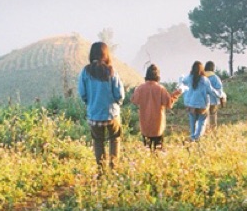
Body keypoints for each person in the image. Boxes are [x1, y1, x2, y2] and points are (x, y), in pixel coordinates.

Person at [78, 41, 125, 171]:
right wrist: (118, 103)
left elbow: (82, 93)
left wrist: (90, 103)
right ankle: (113, 168)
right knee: (114, 139)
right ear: (106, 54)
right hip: (111, 114)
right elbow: (120, 93)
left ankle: (101, 171)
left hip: (94, 115)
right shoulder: (111, 70)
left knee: (98, 142)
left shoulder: (85, 72)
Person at [130, 64, 182, 151]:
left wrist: (136, 90)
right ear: (158, 76)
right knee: (157, 151)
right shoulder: (161, 89)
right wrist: (176, 94)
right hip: (158, 127)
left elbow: (134, 100)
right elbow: (169, 104)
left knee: (147, 149)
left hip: (145, 126)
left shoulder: (140, 88)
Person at [180, 61, 212, 142]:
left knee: (192, 123)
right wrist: (220, 95)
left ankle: (192, 138)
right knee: (201, 122)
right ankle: (195, 137)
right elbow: (210, 91)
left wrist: (181, 76)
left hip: (190, 105)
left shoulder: (189, 78)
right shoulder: (205, 80)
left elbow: (182, 81)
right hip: (202, 106)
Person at [204, 61, 226, 130]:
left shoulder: (201, 77)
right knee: (213, 115)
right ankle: (213, 131)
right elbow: (220, 90)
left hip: (203, 101)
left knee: (204, 117)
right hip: (213, 101)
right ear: (213, 68)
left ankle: (205, 131)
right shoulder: (215, 78)